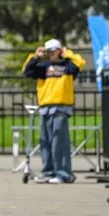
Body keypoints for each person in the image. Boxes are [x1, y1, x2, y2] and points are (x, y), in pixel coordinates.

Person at [23, 38, 86, 184]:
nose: (51, 54)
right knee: (45, 142)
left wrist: (67, 53)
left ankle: (63, 174)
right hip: (45, 107)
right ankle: (48, 172)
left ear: (59, 50)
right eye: (48, 51)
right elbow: (27, 70)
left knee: (59, 142)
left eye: (53, 51)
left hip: (61, 107)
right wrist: (35, 56)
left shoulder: (68, 66)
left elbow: (81, 62)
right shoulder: (43, 67)